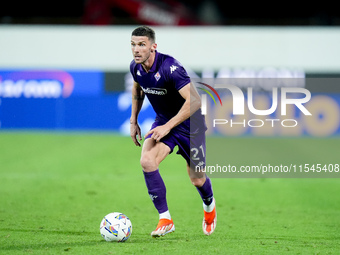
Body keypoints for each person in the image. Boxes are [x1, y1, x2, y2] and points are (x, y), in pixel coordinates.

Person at [129, 25, 216, 237]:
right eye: (133, 45)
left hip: (190, 125)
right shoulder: (136, 67)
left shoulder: (170, 68)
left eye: (142, 45)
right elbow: (137, 88)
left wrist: (168, 126)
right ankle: (165, 219)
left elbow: (194, 100)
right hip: (164, 121)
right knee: (147, 161)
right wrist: (134, 120)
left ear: (153, 46)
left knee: (196, 178)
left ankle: (209, 206)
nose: (136, 50)